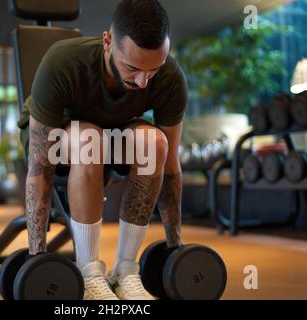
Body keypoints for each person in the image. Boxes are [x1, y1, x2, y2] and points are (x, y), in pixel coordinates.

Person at [17, 0, 187, 300]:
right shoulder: (63, 61)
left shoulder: (170, 77)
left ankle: (125, 271)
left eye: (154, 70)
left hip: (112, 131)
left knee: (155, 143)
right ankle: (89, 273)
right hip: (59, 138)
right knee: (88, 138)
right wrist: (37, 259)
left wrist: (176, 249)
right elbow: (39, 171)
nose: (143, 81)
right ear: (108, 42)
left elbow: (170, 166)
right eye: (132, 68)